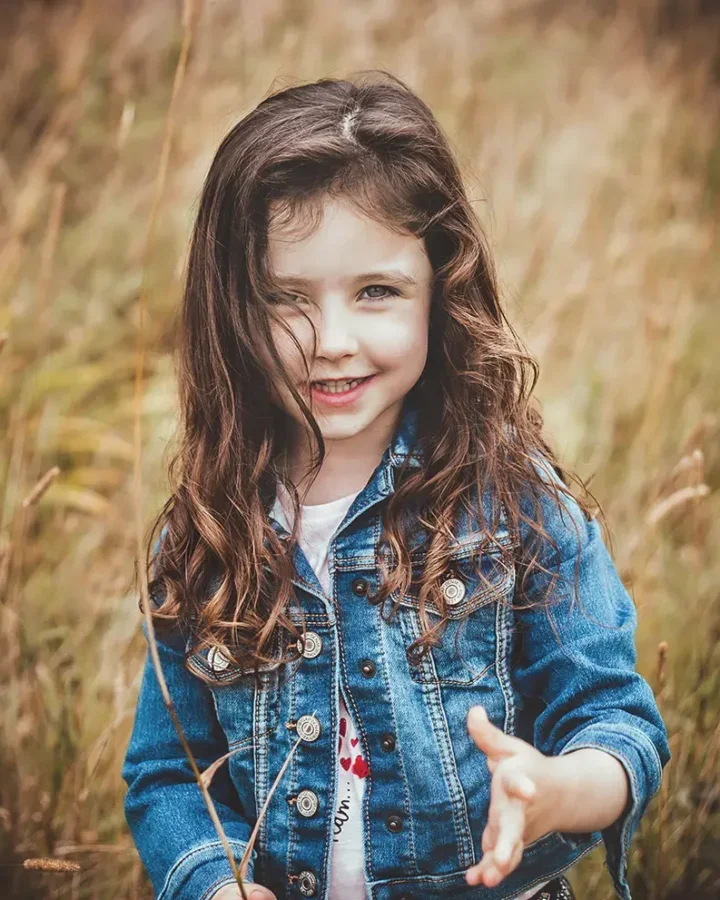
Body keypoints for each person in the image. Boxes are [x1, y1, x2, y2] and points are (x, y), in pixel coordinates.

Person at [121, 72, 670, 900]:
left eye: (377, 292)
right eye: (286, 298)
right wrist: (215, 883)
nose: (332, 341)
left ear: (438, 291)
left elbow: (617, 723)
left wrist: (558, 790)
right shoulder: (205, 533)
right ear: (231, 307)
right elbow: (171, 775)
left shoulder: (516, 508)